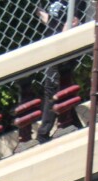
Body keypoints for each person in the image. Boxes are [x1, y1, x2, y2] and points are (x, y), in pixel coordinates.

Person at [35, 0, 82, 144]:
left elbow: (72, 23)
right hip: (52, 46)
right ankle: (75, 124)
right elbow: (40, 12)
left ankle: (43, 132)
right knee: (62, 87)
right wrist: (48, 19)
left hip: (65, 47)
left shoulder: (75, 2)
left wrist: (57, 28)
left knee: (53, 87)